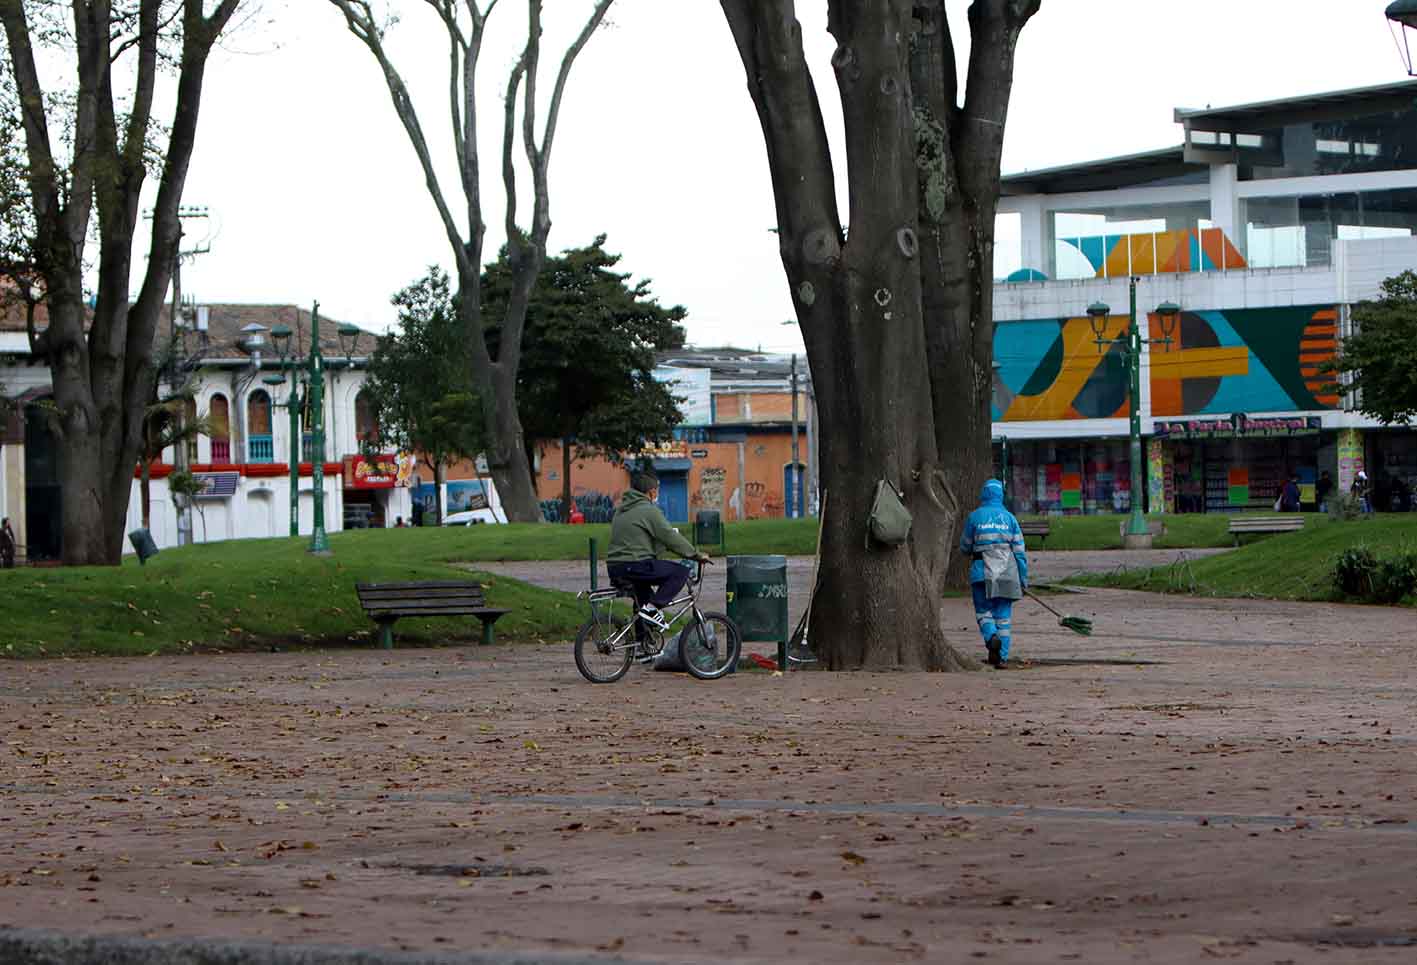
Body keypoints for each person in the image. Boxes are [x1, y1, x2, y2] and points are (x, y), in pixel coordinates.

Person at [607, 471, 710, 640]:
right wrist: (696, 555)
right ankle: (653, 609)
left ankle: (643, 646)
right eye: (657, 490)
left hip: (616, 567)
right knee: (680, 573)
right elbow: (669, 536)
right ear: (651, 491)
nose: (657, 494)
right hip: (635, 565)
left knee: (643, 598)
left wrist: (662, 547)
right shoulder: (648, 510)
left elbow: (638, 539)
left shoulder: (621, 510)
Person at [959, 479, 1028, 669]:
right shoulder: (1010, 519)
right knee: (1003, 617)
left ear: (984, 494)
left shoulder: (975, 517)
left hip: (981, 571)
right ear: (1001, 495)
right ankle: (1001, 657)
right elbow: (1020, 553)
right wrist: (1023, 579)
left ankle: (991, 637)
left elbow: (964, 546)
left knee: (983, 611)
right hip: (1006, 573)